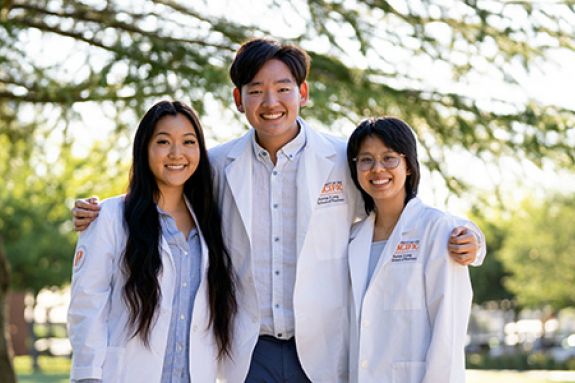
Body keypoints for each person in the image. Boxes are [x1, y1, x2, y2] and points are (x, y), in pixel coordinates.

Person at [72, 39, 484, 383]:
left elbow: (401, 206)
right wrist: (100, 212)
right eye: (255, 90)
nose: (270, 102)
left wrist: (471, 239)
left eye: (283, 88)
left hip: (325, 351)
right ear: (238, 99)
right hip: (248, 351)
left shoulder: (344, 158)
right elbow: (161, 191)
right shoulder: (214, 166)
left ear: (303, 93)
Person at [67, 101, 236, 383]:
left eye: (188, 142)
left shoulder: (212, 221)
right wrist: (87, 376)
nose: (176, 153)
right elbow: (87, 304)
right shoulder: (109, 217)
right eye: (163, 141)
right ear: (144, 148)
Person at [346, 117, 473, 383]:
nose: (377, 169)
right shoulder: (352, 238)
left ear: (409, 167)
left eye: (389, 158)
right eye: (366, 160)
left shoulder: (437, 230)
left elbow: (447, 328)